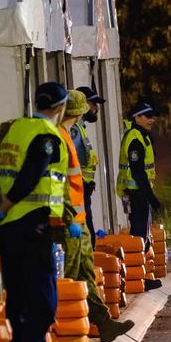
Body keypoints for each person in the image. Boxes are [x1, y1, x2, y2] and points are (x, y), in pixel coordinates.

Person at [0, 82, 72, 342]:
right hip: (33, 231)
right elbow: (31, 176)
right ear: (60, 108)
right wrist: (3, 205)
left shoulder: (15, 130)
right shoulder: (47, 137)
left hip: (10, 232)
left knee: (18, 304)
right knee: (44, 304)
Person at [58, 90, 134, 342]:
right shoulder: (61, 136)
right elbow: (59, 185)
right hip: (66, 222)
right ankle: (57, 333)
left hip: (76, 221)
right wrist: (70, 220)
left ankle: (103, 323)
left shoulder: (69, 133)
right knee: (67, 278)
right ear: (79, 110)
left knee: (84, 275)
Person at [117, 100, 162, 254]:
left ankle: (143, 275)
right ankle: (138, 275)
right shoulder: (135, 139)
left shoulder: (142, 136)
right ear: (137, 118)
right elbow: (138, 172)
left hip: (139, 192)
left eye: (153, 117)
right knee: (139, 236)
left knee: (143, 234)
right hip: (135, 192)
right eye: (148, 116)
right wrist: (152, 197)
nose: (152, 120)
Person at [71, 86, 105, 243]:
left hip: (84, 190)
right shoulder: (75, 130)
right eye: (93, 104)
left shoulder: (80, 128)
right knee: (87, 238)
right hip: (78, 191)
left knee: (88, 235)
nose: (96, 109)